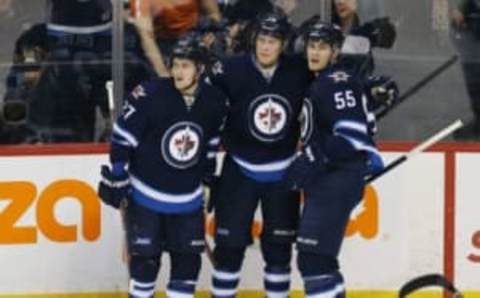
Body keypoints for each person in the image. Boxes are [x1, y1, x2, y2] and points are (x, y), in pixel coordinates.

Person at [97, 36, 228, 298]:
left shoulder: (214, 101)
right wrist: (119, 174)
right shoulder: (150, 94)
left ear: (200, 70)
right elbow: (122, 138)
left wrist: (209, 177)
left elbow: (210, 142)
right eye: (176, 65)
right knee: (145, 268)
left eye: (185, 66)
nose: (178, 72)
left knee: (188, 269)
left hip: (188, 202)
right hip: (147, 199)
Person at [207, 12, 311, 298]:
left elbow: (327, 95)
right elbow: (201, 108)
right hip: (239, 170)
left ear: (283, 44)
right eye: (262, 40)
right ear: (254, 40)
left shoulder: (299, 70)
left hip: (284, 172)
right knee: (229, 250)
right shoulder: (229, 70)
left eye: (273, 41)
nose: (265, 47)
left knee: (279, 251)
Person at [289, 21, 384, 297]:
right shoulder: (328, 80)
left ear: (335, 51)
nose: (314, 52)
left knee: (313, 260)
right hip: (332, 179)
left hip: (337, 179)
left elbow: (350, 138)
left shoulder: (333, 82)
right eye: (311, 46)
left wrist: (310, 157)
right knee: (321, 260)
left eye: (322, 47)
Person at [129, 0, 222, 77]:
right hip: (161, 41)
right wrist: (163, 74)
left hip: (193, 32)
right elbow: (146, 37)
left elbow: (213, 15)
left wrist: (211, 36)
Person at [451, 0, 480, 140]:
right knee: (476, 97)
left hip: (473, 58)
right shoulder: (469, 4)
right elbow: (455, 25)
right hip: (471, 59)